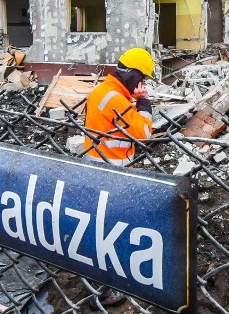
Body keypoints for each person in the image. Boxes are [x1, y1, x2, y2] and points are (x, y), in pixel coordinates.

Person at [81, 47, 155, 308]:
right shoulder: (115, 99)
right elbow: (143, 133)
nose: (143, 84)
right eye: (142, 78)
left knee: (100, 228)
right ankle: (111, 289)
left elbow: (120, 123)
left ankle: (95, 282)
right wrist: (144, 105)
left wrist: (133, 104)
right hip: (113, 175)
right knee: (114, 232)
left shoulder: (104, 91)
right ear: (132, 75)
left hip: (98, 169)